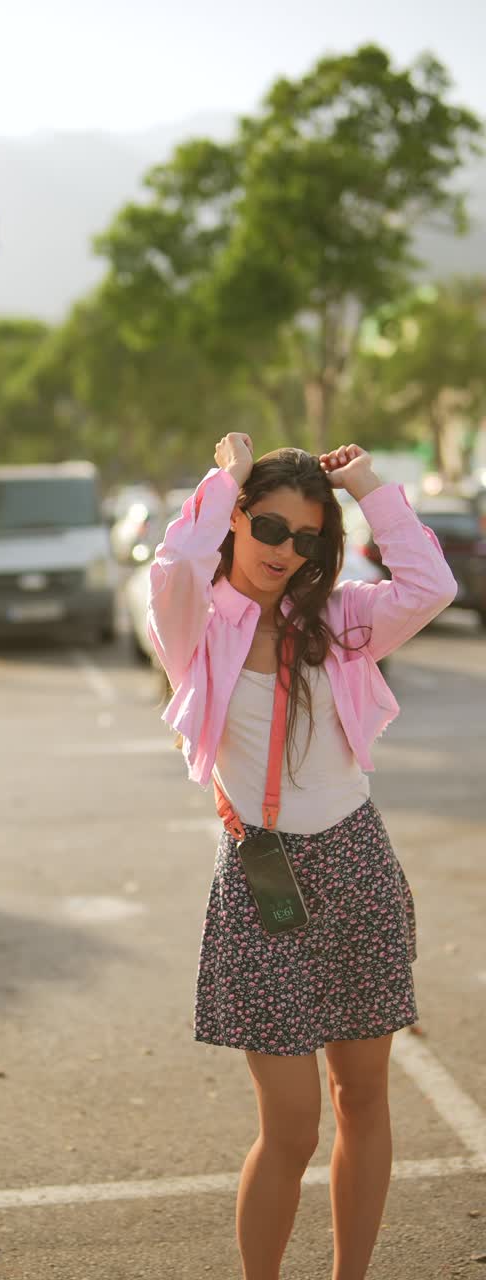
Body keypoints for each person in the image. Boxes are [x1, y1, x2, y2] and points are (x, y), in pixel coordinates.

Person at [146, 435, 458, 1280]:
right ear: (239, 520)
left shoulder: (339, 618)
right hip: (261, 877)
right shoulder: (197, 622)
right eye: (271, 527)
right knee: (290, 1124)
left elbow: (434, 588)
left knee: (362, 1100)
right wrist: (227, 477)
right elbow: (173, 564)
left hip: (355, 863)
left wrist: (370, 490)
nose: (286, 550)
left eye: (307, 539)